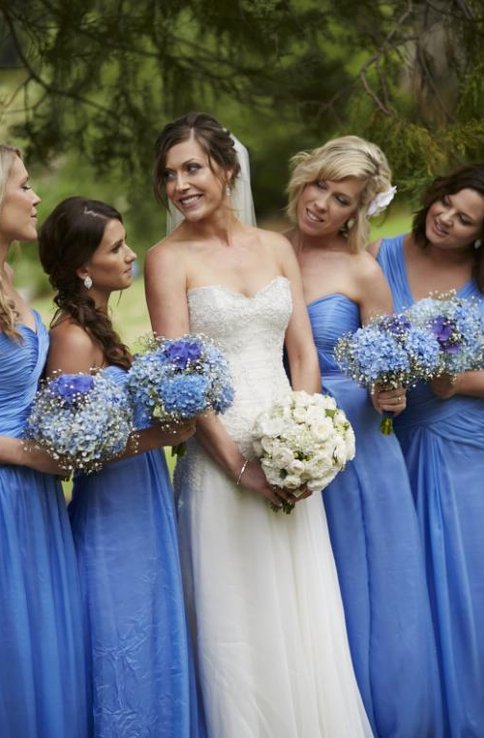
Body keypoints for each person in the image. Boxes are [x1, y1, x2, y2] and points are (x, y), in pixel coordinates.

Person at [144, 112, 373, 738]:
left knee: (300, 612)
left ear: (226, 169)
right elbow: (183, 380)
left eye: (192, 168)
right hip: (222, 466)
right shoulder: (165, 260)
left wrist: (304, 440)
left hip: (289, 456)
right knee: (236, 625)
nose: (180, 185)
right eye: (169, 174)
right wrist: (242, 468)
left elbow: (302, 353)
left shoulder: (275, 248)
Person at [285, 135, 443, 738]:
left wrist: (391, 393)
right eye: (320, 184)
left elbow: (389, 371)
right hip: (280, 441)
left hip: (356, 446)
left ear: (358, 212)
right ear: (303, 179)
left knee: (367, 580)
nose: (322, 203)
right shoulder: (264, 251)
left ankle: (385, 719)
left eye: (341, 197)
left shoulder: (361, 271)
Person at [37, 196, 205, 738]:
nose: (132, 255)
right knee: (123, 640)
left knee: (155, 630)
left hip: (143, 500)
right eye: (117, 247)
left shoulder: (100, 324)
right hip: (111, 516)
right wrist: (161, 433)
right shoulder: (71, 338)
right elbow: (72, 450)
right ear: (84, 267)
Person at [370, 164, 484, 737]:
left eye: (465, 220)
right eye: (445, 203)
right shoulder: (379, 253)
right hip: (389, 441)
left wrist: (458, 381)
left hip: (463, 450)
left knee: (463, 587)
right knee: (400, 586)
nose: (447, 219)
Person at [0, 146, 89, 736]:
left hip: (34, 498)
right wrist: (29, 453)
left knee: (44, 642)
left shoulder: (9, 276)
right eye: (24, 185)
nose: (36, 198)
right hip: (7, 489)